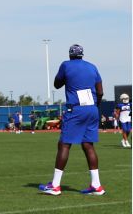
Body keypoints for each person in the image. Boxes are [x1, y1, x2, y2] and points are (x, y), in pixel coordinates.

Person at [38, 44, 105, 197]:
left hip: (76, 108)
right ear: (82, 54)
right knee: (88, 144)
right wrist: (95, 106)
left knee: (64, 144)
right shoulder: (92, 66)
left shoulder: (66, 65)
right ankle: (96, 185)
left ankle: (55, 185)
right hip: (92, 108)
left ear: (70, 55)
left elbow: (57, 84)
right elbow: (100, 91)